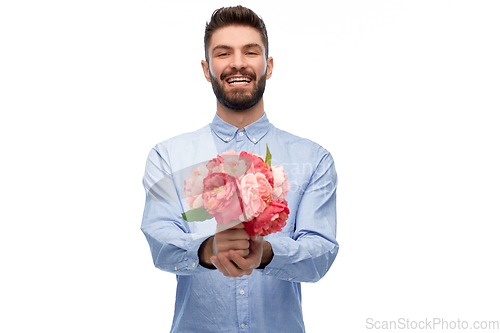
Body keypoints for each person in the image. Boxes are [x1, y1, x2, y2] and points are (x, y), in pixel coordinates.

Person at [141, 6, 339, 332]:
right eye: (223, 53)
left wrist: (267, 253)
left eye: (250, 51)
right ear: (206, 69)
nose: (237, 62)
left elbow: (320, 255)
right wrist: (207, 250)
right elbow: (160, 244)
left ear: (268, 65)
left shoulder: (314, 159)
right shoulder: (167, 157)